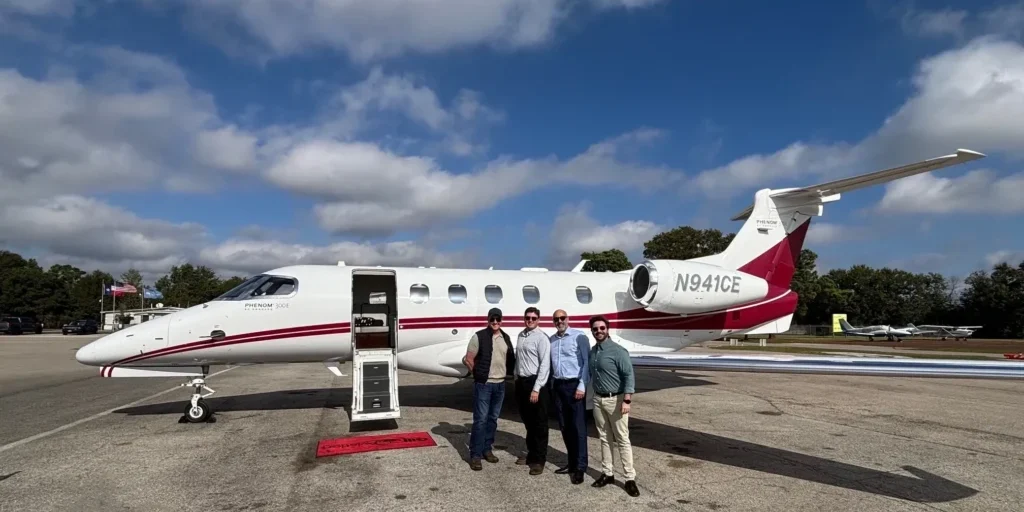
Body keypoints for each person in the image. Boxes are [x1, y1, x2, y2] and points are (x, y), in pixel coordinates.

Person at [588, 315, 640, 497]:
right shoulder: (594, 351)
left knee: (622, 439)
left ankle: (629, 478)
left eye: (602, 328)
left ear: (607, 329)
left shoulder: (618, 351)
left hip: (616, 400)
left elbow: (629, 376)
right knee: (604, 438)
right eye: (595, 329)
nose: (598, 331)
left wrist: (627, 400)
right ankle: (607, 473)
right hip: (598, 400)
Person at [463, 307, 516, 471]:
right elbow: (468, 359)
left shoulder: (505, 338)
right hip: (484, 384)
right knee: (480, 420)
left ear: (501, 320)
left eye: (498, 319)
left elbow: (510, 358)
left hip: (500, 384)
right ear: (488, 320)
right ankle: (475, 455)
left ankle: (487, 449)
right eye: (492, 319)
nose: (495, 322)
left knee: (493, 419)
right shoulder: (479, 336)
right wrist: (477, 374)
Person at [548, 308, 590, 484]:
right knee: (565, 426)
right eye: (556, 319)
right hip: (558, 386)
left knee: (578, 427)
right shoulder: (551, 340)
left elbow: (587, 362)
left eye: (562, 318)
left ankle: (580, 467)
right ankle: (571, 463)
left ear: (568, 319)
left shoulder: (579, 336)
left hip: (574, 386)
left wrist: (582, 385)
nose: (559, 321)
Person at [513, 306, 551, 475]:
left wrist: (536, 389)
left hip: (536, 383)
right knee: (528, 421)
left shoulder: (542, 338)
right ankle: (531, 454)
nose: (530, 320)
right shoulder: (521, 335)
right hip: (522, 382)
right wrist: (516, 376)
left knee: (539, 423)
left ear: (538, 320)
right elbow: (519, 358)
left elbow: (545, 365)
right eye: (527, 317)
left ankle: (539, 460)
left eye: (533, 318)